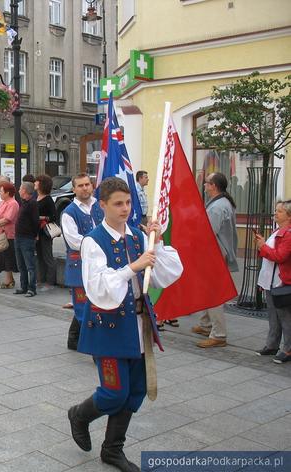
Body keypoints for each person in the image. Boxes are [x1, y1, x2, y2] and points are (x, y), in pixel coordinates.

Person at [68, 177, 183, 472]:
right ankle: (80, 415)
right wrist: (133, 266)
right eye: (118, 203)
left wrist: (158, 241)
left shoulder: (136, 235)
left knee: (136, 391)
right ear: (102, 205)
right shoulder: (93, 240)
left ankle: (112, 449)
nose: (125, 209)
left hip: (138, 324)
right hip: (108, 326)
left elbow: (163, 273)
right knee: (114, 392)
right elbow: (98, 286)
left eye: (128, 202)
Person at [191, 172, 238, 348]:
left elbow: (207, 233)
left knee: (214, 294)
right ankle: (206, 324)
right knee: (208, 289)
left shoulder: (218, 207)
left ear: (214, 186)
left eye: (207, 183)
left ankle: (219, 334)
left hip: (215, 255)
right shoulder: (221, 202)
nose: (205, 185)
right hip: (216, 253)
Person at [61, 174, 104, 351]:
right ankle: (93, 346)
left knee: (97, 302)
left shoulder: (101, 206)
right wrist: (99, 244)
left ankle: (74, 339)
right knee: (83, 306)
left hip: (101, 264)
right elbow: (74, 241)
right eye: (80, 186)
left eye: (87, 184)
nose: (85, 188)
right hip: (79, 265)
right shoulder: (69, 212)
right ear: (74, 189)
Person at [254, 200, 291, 364]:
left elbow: (280, 257)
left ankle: (288, 349)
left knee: (285, 317)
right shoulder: (277, 231)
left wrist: (263, 246)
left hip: (280, 282)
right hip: (270, 280)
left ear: (288, 216)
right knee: (273, 316)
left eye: (279, 211)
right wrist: (262, 246)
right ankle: (272, 345)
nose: (275, 214)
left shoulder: (288, 234)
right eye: (276, 211)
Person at [0, 182, 19, 289]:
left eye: (1, 191)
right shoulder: (3, 203)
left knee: (8, 256)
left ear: (7, 192)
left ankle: (9, 279)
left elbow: (8, 218)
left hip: (8, 234)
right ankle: (9, 278)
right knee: (3, 256)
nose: (0, 193)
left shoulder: (13, 203)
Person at [14, 182, 40, 297]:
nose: (19, 190)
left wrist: (34, 234)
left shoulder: (32, 203)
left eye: (20, 189)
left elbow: (36, 221)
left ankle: (32, 288)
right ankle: (23, 286)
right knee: (21, 265)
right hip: (18, 237)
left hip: (27, 238)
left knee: (30, 265)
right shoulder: (23, 202)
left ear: (24, 190)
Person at [35, 174, 57, 291]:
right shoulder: (36, 197)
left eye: (37, 181)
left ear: (41, 184)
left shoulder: (48, 199)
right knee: (39, 256)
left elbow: (54, 216)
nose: (35, 183)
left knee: (47, 256)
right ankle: (40, 280)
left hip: (45, 232)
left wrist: (40, 217)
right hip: (36, 231)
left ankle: (50, 282)